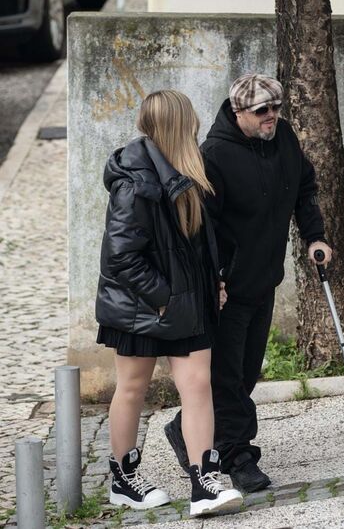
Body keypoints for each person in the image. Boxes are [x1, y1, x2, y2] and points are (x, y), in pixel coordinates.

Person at [164, 74, 332, 492]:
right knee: (226, 375)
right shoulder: (214, 155)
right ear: (239, 113)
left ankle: (183, 427)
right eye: (262, 111)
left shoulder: (284, 139)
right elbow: (205, 228)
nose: (272, 116)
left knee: (246, 374)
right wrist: (216, 278)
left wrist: (315, 235)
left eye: (276, 107)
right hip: (228, 288)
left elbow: (304, 188)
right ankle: (239, 457)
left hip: (263, 280)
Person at [95, 90, 243, 516]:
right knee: (133, 387)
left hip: (187, 302)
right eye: (190, 119)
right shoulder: (133, 180)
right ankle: (124, 480)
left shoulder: (189, 170)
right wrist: (164, 299)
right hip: (142, 304)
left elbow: (198, 242)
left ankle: (204, 483)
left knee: (198, 385)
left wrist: (212, 280)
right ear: (177, 124)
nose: (197, 125)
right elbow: (121, 257)